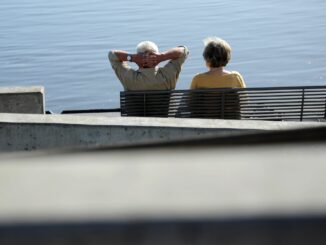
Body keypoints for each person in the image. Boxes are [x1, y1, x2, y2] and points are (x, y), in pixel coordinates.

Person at [108, 41, 189, 91]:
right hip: (165, 118)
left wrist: (132, 58)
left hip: (135, 118)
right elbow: (184, 50)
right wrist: (162, 56)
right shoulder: (168, 75)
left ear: (137, 55)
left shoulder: (129, 77)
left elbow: (112, 55)